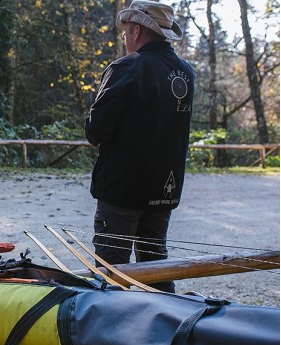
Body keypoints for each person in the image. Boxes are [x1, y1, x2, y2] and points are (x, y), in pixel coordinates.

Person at [84, 0, 195, 293]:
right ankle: (165, 330)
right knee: (156, 267)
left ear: (136, 30)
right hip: (164, 189)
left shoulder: (126, 68)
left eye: (125, 30)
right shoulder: (186, 73)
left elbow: (96, 131)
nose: (123, 36)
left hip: (123, 189)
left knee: (112, 273)